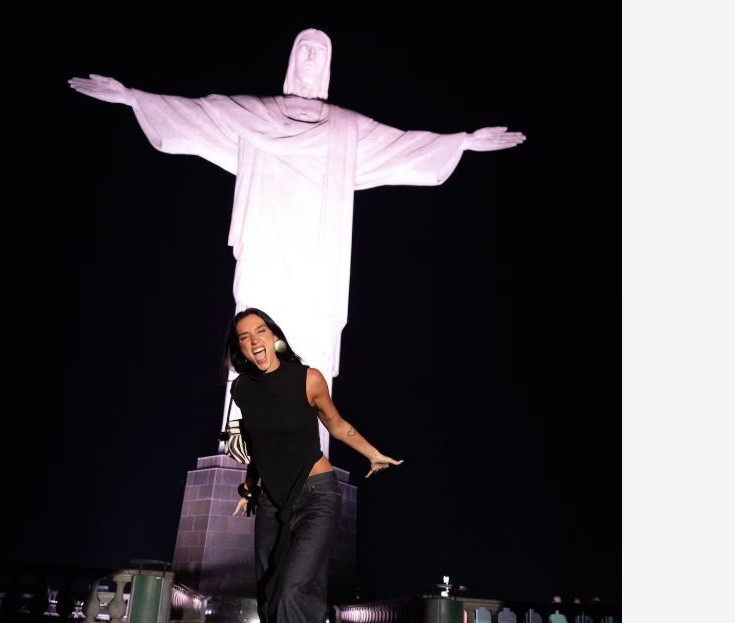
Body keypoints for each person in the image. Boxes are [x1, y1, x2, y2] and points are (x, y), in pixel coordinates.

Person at [68, 28, 526, 455]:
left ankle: (307, 446)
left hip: (316, 256)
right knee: (255, 331)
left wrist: (463, 142)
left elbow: (403, 146)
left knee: (310, 337)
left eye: (319, 52)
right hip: (266, 244)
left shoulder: (346, 128)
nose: (310, 56)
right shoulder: (256, 113)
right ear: (291, 60)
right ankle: (241, 443)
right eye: (303, 48)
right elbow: (195, 114)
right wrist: (133, 97)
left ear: (327, 67)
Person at [224, 307, 402, 622]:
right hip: (271, 501)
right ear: (240, 347)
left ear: (274, 336)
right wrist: (249, 489)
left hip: (316, 495)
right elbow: (258, 445)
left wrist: (372, 453)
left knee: (293, 590)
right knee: (269, 594)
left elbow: (336, 424)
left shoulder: (309, 379)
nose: (254, 341)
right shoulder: (241, 390)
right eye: (244, 337)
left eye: (260, 331)